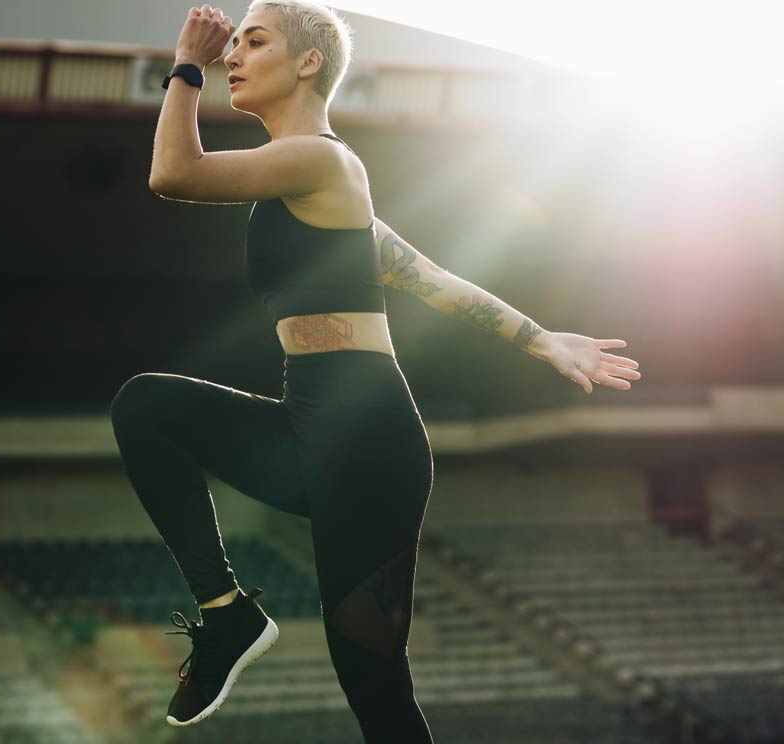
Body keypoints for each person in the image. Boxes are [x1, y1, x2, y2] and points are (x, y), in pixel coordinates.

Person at [109, 1, 641, 740]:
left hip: (369, 446)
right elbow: (427, 275)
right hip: (309, 430)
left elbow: (174, 172)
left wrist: (186, 65)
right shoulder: (318, 183)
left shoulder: (322, 159)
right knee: (146, 408)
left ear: (308, 62)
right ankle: (226, 615)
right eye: (229, 44)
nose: (233, 53)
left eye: (251, 41)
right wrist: (538, 335)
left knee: (375, 688)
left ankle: (233, 622)